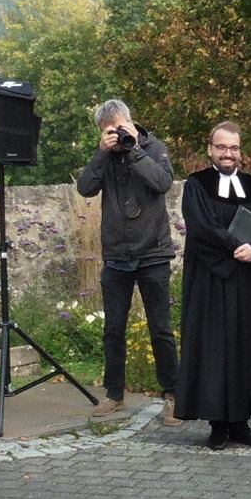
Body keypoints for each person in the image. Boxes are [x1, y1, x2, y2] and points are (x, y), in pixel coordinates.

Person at [175, 121, 251, 449]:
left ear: (240, 151)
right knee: (215, 350)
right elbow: (201, 228)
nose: (227, 154)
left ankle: (241, 424)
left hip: (247, 281)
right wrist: (236, 247)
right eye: (221, 147)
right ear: (210, 149)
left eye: (233, 148)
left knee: (246, 348)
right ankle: (218, 425)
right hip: (211, 280)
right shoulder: (197, 184)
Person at [75, 99, 181, 425]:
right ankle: (114, 394)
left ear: (131, 122)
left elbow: (163, 183)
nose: (118, 135)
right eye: (110, 131)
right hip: (117, 256)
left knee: (160, 329)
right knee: (113, 330)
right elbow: (85, 188)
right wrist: (100, 152)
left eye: (121, 127)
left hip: (153, 254)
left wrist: (134, 150)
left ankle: (173, 396)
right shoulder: (105, 156)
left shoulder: (153, 148)